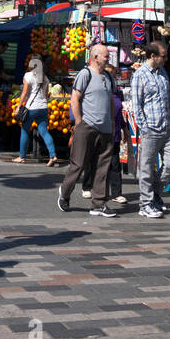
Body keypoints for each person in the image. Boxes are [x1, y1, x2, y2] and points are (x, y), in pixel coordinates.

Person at [57, 45, 119, 219]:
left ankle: (99, 204)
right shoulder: (85, 74)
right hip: (87, 126)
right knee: (78, 164)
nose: (108, 58)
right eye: (106, 56)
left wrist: (112, 123)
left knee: (102, 167)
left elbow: (111, 101)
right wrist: (79, 122)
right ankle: (65, 193)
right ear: (95, 57)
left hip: (105, 129)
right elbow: (75, 99)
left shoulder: (107, 76)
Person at [131, 41, 170, 219]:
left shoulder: (162, 72)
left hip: (168, 127)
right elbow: (137, 105)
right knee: (146, 167)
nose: (166, 59)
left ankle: (155, 194)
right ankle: (145, 203)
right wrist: (145, 128)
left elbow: (169, 100)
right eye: (163, 55)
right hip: (151, 128)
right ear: (153, 56)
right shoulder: (140, 75)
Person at [11, 55, 60, 166]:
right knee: (44, 132)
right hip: (43, 108)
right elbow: (47, 95)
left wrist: (18, 106)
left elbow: (24, 93)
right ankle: (53, 156)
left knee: (25, 131)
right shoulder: (45, 78)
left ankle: (22, 157)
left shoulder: (28, 76)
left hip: (31, 108)